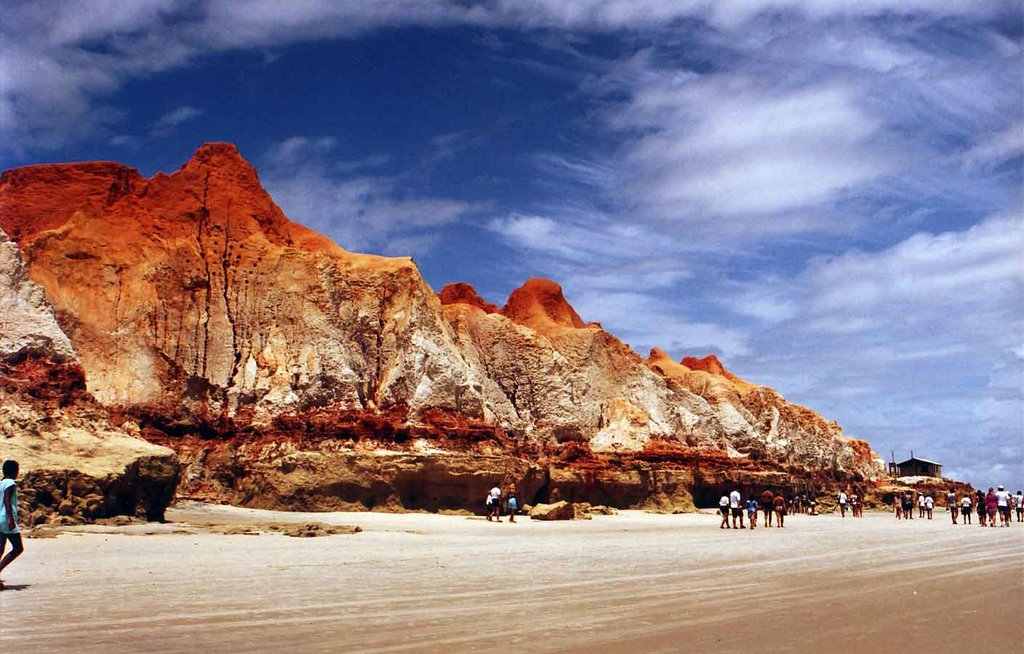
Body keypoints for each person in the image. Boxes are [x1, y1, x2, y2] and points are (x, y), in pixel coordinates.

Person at [0, 460, 24, 588]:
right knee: (18, 548)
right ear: (14, 471)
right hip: (6, 519)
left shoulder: (1, 483)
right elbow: (7, 500)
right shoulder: (10, 483)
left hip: (0, 518)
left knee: (0, 549)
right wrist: (10, 519)